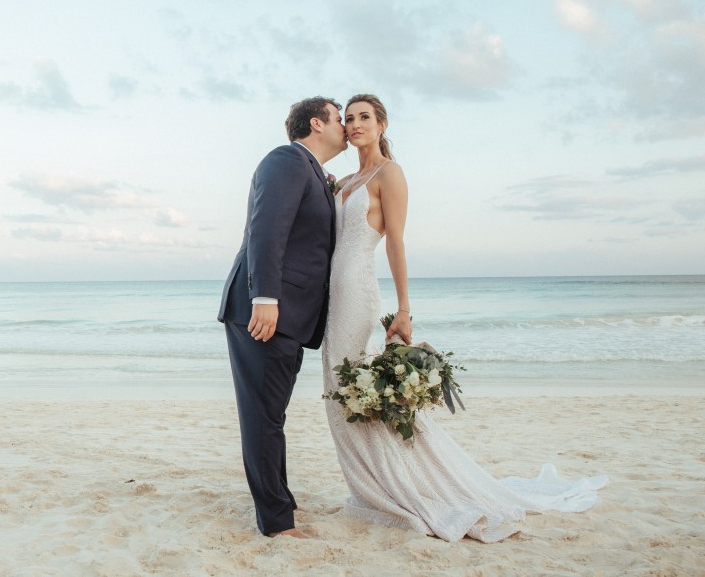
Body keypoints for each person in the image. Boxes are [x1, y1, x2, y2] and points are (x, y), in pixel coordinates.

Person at [321, 93, 606, 542]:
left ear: (382, 125)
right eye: (349, 118)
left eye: (364, 118)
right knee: (341, 393)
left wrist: (404, 309)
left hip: (357, 293)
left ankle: (399, 488)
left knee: (358, 393)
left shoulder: (389, 173)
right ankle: (370, 486)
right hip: (333, 297)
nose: (355, 124)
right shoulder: (345, 181)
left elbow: (395, 242)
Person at [218, 96, 347, 538]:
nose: (346, 125)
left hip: (289, 314)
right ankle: (275, 522)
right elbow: (265, 228)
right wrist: (265, 298)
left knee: (271, 414)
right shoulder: (287, 159)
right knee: (263, 417)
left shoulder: (313, 171)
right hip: (265, 311)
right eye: (339, 118)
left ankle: (281, 501)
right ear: (317, 123)